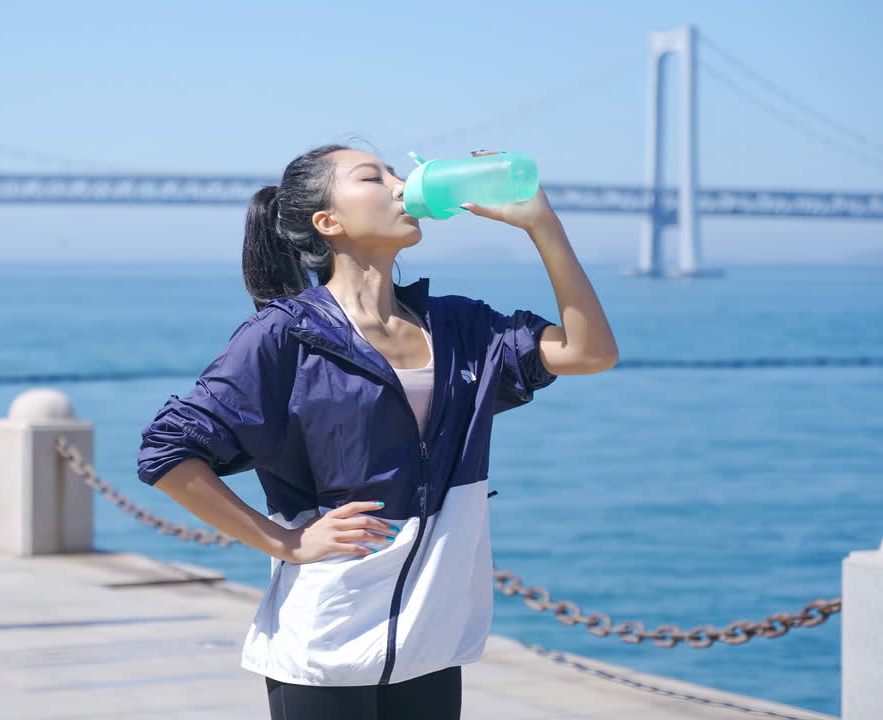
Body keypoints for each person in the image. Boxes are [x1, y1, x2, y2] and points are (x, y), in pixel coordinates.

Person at [135, 144, 619, 720]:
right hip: (328, 650)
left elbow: (590, 352)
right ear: (328, 222)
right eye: (374, 177)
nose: (401, 185)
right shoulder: (286, 335)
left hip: (432, 648)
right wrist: (285, 542)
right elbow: (166, 452)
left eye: (396, 172)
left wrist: (543, 225)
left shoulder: (461, 326)